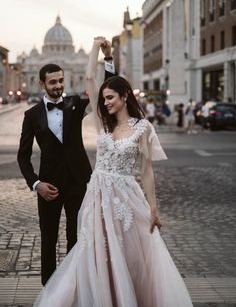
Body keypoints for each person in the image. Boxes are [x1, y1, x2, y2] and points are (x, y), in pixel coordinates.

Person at [33, 37, 193, 307]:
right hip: (97, 195)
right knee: (95, 250)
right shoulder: (102, 123)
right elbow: (88, 80)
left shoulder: (143, 128)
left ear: (124, 97)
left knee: (126, 253)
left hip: (126, 197)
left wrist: (153, 209)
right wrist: (98, 48)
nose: (104, 102)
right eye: (103, 98)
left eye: (110, 98)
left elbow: (147, 172)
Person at [17, 46, 116, 286]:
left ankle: (76, 286)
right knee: (48, 239)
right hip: (48, 185)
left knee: (77, 237)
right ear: (42, 84)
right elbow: (23, 156)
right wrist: (36, 183)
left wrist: (109, 58)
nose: (58, 85)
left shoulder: (75, 103)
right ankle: (49, 289)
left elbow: (106, 91)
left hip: (77, 182)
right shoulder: (32, 115)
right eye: (53, 82)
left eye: (61, 80)